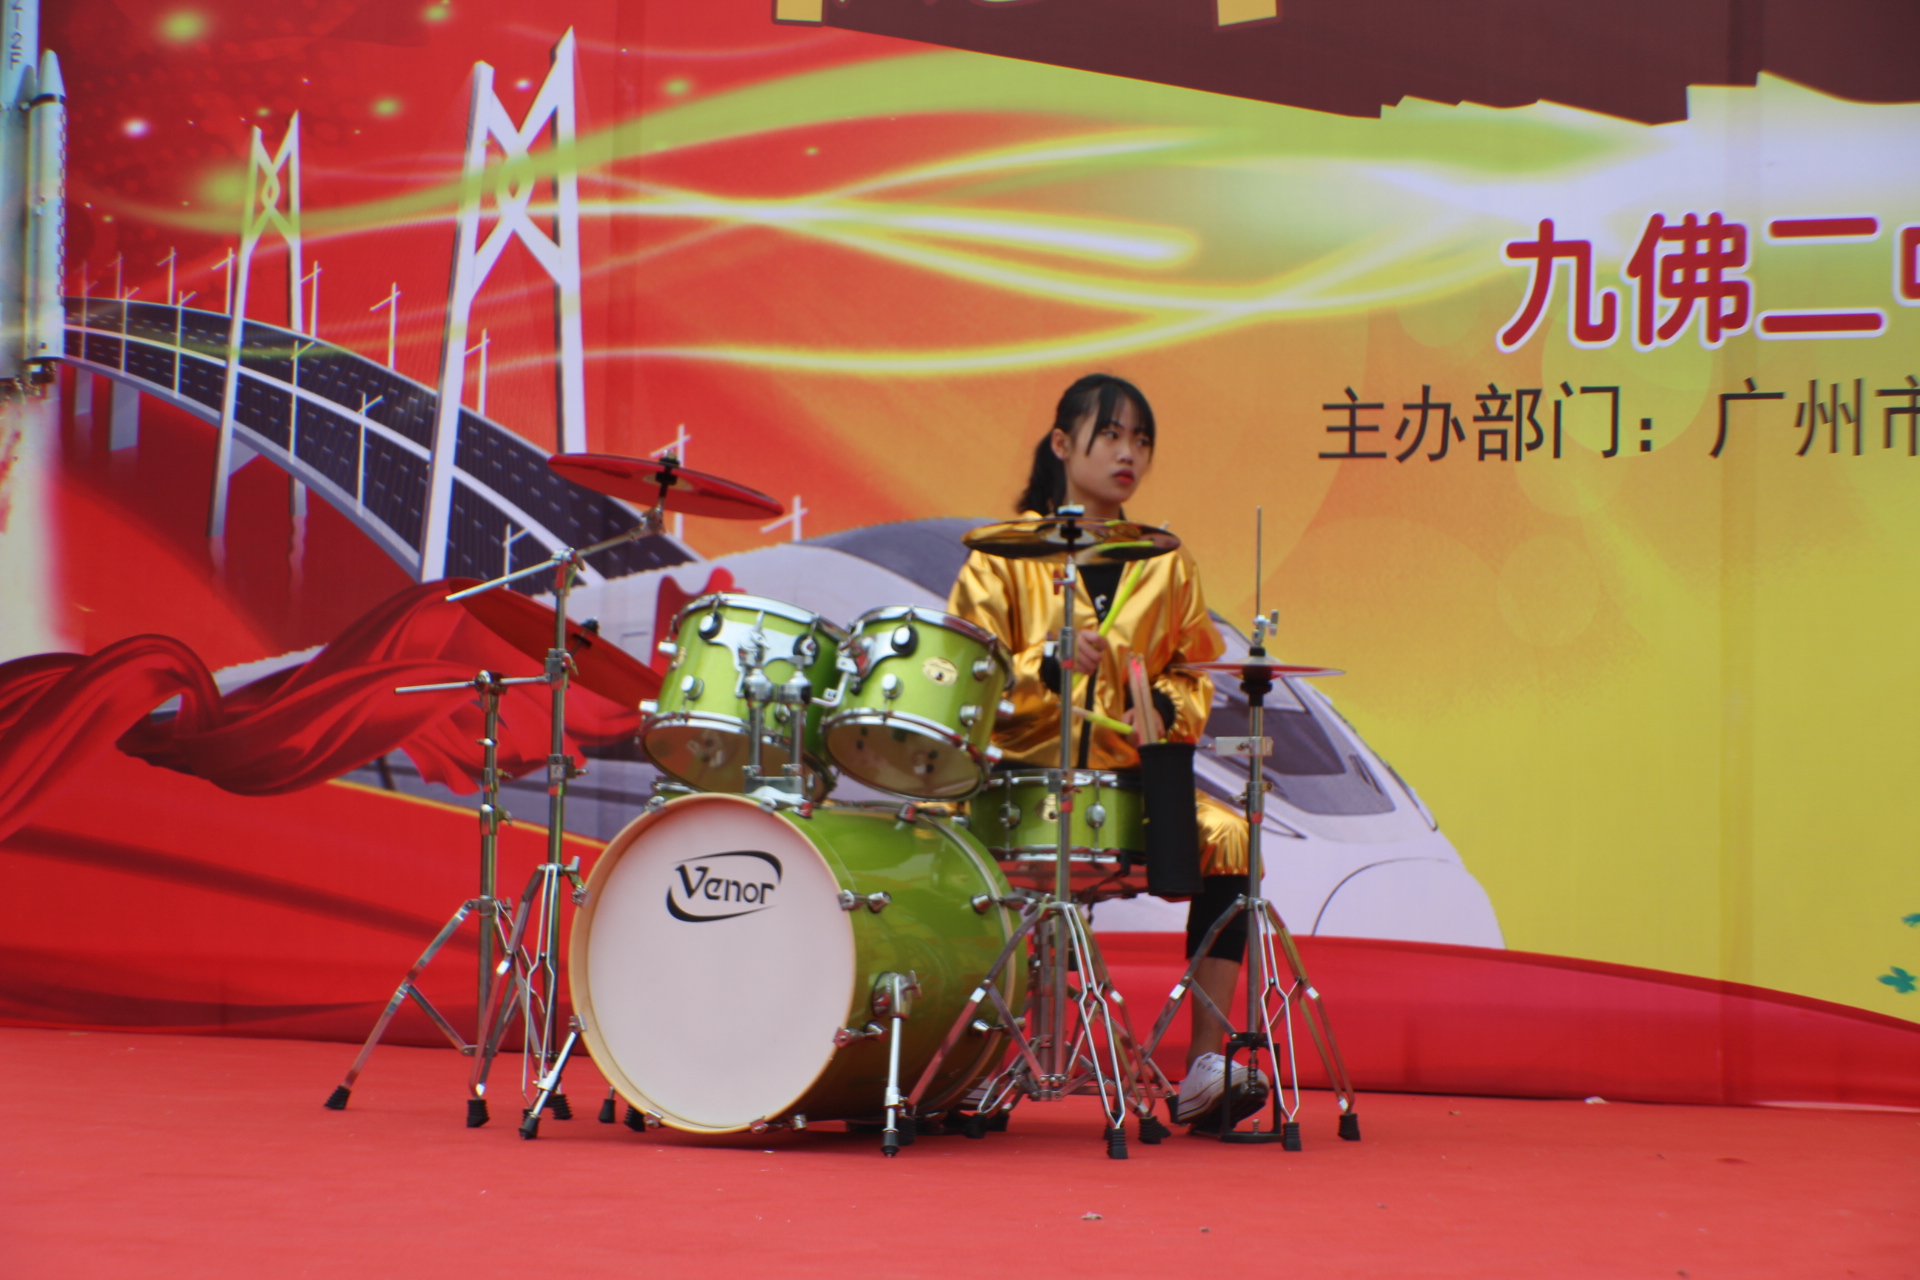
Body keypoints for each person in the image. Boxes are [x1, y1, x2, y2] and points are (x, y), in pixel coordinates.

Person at [948, 372, 1266, 1129]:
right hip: (1021, 785)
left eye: (1142, 441)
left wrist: (1162, 706)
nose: (1130, 454)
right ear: (1063, 444)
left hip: (1130, 789)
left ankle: (1205, 1067)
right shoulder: (1002, 557)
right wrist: (1046, 669)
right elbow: (965, 679)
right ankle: (963, 1062)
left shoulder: (1166, 562)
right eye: (1113, 435)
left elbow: (1194, 672)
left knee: (1231, 836)